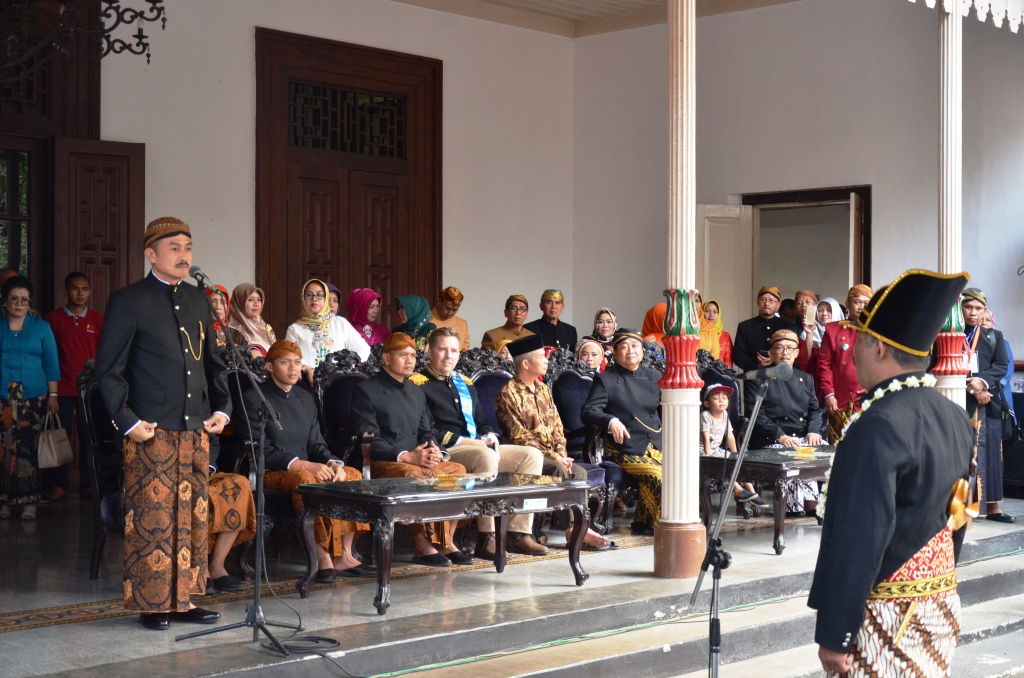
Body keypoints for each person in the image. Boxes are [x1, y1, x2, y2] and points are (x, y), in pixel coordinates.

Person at [809, 269, 974, 676]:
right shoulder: (955, 415)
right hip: (940, 602)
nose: (851, 354)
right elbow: (962, 511)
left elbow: (862, 533)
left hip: (888, 616)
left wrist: (836, 633)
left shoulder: (877, 424)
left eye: (858, 343)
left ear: (878, 348)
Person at [95, 216, 228, 630]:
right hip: (150, 430)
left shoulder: (197, 300)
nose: (183, 253)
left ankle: (185, 601)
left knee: (192, 518)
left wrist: (222, 410)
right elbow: (109, 370)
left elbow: (215, 365)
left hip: (196, 430)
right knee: (154, 521)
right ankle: (153, 605)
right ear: (151, 254)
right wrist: (126, 421)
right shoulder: (128, 300)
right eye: (173, 247)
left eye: (187, 246)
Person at [411, 327, 549, 558]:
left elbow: (482, 421)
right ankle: (487, 537)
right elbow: (427, 430)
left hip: (479, 447)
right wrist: (471, 443)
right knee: (485, 456)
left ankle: (518, 533)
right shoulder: (418, 384)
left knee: (531, 455)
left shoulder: (465, 382)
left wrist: (490, 436)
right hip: (447, 449)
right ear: (429, 352)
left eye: (454, 350)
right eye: (442, 349)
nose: (448, 356)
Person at [249, 340, 374, 581]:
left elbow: (316, 444)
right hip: (274, 471)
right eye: (285, 362)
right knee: (307, 480)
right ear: (269, 366)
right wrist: (306, 465)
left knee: (352, 475)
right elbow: (260, 449)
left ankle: (345, 555)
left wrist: (331, 463)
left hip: (308, 468)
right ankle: (322, 556)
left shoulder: (305, 398)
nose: (293, 368)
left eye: (297, 362)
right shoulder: (255, 397)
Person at [351, 332, 469, 566]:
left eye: (413, 355)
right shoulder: (367, 389)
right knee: (413, 476)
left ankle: (446, 541)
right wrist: (406, 456)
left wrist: (434, 450)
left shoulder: (416, 390)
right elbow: (367, 437)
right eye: (403, 355)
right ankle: (422, 544)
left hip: (417, 457)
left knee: (458, 471)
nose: (410, 360)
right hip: (386, 460)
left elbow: (427, 430)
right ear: (386, 358)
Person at [496, 334, 611, 549]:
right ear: (526, 363)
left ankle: (579, 529)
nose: (547, 360)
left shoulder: (544, 390)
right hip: (525, 457)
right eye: (542, 356)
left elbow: (558, 427)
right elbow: (519, 435)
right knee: (559, 470)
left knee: (579, 473)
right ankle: (574, 531)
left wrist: (561, 452)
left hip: (553, 455)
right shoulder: (508, 393)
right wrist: (555, 456)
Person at [582, 329, 666, 535]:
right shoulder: (606, 379)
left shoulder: (655, 376)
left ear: (642, 351)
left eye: (635, 346)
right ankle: (659, 527)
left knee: (677, 474)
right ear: (615, 352)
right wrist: (610, 420)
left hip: (656, 441)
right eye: (624, 347)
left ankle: (643, 523)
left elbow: (668, 409)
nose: (631, 351)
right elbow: (588, 411)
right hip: (625, 447)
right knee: (657, 475)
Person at [744, 329, 825, 515]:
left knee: (825, 451)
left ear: (797, 353)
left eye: (790, 348)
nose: (785, 352)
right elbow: (756, 415)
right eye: (779, 348)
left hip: (802, 436)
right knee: (793, 452)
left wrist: (814, 431)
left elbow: (815, 410)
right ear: (771, 353)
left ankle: (815, 502)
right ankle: (794, 507)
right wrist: (779, 436)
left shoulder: (806, 379)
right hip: (770, 439)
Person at [0, 276, 60, 521]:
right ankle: (5, 500)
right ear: (5, 301)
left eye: (24, 299)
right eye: (14, 298)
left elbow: (51, 362)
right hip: (3, 394)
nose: (19, 303)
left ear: (29, 302)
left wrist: (53, 394)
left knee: (28, 449)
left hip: (33, 395)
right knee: (5, 448)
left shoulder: (41, 327)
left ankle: (28, 501)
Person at [44, 272, 103, 499]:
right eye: (75, 289)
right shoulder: (53, 319)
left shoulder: (97, 319)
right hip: (61, 388)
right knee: (61, 436)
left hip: (90, 389)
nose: (80, 293)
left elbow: (103, 353)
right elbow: (48, 355)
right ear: (65, 292)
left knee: (89, 437)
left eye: (84, 289)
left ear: (89, 292)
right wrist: (52, 392)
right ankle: (59, 484)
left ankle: (88, 483)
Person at [962, 287, 1014, 523]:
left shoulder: (995, 336)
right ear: (960, 308)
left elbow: (1002, 365)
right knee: (962, 452)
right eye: (968, 307)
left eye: (978, 308)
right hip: (960, 401)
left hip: (989, 402)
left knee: (992, 453)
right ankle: (962, 508)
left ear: (985, 310)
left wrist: (982, 383)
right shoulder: (947, 333)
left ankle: (993, 508)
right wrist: (970, 386)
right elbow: (937, 365)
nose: (973, 312)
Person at [815, 284, 872, 442]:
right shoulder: (833, 329)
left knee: (868, 445)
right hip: (840, 399)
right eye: (857, 302)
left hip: (869, 397)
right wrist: (828, 393)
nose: (861, 307)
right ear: (847, 304)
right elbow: (824, 364)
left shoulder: (878, 331)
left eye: (866, 303)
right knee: (839, 449)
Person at [286, 279, 371, 385]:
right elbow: (290, 357)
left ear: (325, 299)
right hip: (308, 383)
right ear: (303, 299)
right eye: (309, 295)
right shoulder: (295, 329)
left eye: (319, 295)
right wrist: (307, 369)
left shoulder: (340, 323)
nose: (314, 299)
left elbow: (363, 348)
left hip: (341, 383)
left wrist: (351, 364)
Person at [698, 381, 768, 507]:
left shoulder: (725, 415)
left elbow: (729, 435)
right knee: (725, 464)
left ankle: (752, 493)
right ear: (707, 403)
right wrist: (709, 455)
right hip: (703, 449)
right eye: (715, 398)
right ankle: (738, 490)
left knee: (735, 461)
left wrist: (735, 453)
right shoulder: (705, 415)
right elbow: (705, 437)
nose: (721, 401)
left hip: (716, 449)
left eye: (724, 398)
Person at [732, 286, 800, 372]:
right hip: (754, 379)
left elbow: (795, 354)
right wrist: (757, 365)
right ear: (757, 302)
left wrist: (776, 357)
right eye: (763, 299)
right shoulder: (745, 326)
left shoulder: (788, 326)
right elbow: (738, 356)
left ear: (778, 305)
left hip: (781, 378)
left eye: (771, 300)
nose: (767, 303)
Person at [795, 296, 843, 387]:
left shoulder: (845, 333)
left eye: (829, 310)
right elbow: (804, 361)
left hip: (839, 384)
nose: (824, 313)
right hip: (815, 384)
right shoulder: (808, 332)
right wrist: (810, 333)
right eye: (820, 310)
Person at [226, 283, 277, 355]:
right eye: (250, 300)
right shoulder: (230, 330)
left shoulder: (264, 326)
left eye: (259, 299)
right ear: (239, 301)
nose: (256, 303)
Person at [429, 286, 470, 351]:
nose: (450, 313)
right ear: (439, 301)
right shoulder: (424, 320)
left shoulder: (462, 324)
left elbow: (464, 351)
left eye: (454, 310)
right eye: (447, 308)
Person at [206, 284, 246, 349]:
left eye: (223, 302)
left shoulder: (235, 334)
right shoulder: (199, 330)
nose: (218, 307)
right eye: (213, 301)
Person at [702, 300, 733, 366]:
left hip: (720, 373)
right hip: (699, 372)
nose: (711, 315)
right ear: (701, 313)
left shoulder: (725, 336)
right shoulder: (697, 333)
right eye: (707, 311)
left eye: (715, 312)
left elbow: (728, 361)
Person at [694, 293, 720, 360]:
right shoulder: (680, 326)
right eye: (690, 300)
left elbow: (715, 354)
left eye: (697, 300)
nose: (694, 304)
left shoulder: (710, 328)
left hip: (706, 368)